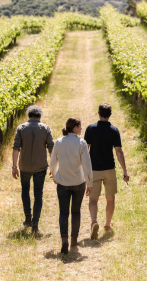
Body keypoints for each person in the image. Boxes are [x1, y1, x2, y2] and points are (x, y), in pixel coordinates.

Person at [84, 102, 129, 240]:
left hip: (94, 170)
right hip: (109, 169)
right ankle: (107, 225)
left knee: (93, 199)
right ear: (110, 114)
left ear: (98, 113)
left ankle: (93, 222)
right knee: (110, 199)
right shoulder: (114, 130)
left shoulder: (90, 129)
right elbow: (119, 152)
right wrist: (125, 171)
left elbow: (85, 149)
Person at [49, 117, 93, 254]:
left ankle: (64, 239)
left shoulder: (59, 142)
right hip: (79, 182)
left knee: (63, 212)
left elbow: (52, 162)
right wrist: (89, 182)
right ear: (75, 128)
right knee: (75, 211)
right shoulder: (81, 143)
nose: (81, 129)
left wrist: (54, 174)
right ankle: (74, 239)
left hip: (63, 182)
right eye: (80, 126)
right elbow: (87, 165)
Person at [12, 105, 54, 234]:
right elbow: (51, 148)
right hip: (40, 166)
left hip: (24, 166)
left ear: (28, 115)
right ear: (40, 116)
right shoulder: (46, 128)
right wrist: (53, 166)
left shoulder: (21, 128)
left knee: (25, 190)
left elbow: (16, 148)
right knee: (38, 194)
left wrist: (14, 166)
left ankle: (28, 218)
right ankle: (35, 224)